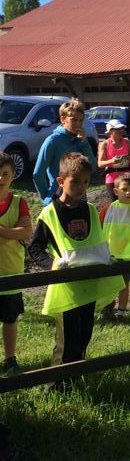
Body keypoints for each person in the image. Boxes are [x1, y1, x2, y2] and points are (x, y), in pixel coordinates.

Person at [28, 153, 124, 384]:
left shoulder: (90, 210)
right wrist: (52, 265)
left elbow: (97, 243)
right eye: (76, 181)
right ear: (61, 181)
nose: (82, 187)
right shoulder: (50, 213)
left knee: (84, 335)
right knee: (67, 341)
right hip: (67, 290)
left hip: (88, 287)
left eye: (86, 182)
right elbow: (34, 248)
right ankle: (55, 384)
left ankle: (75, 379)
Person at [0, 153, 33, 376]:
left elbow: (27, 232)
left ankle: (10, 358)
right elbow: (19, 232)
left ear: (13, 176)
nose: (1, 178)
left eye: (5, 174)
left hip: (11, 272)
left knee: (10, 319)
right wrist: (12, 232)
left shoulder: (20, 203)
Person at [99, 174, 130, 321]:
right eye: (124, 189)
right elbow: (99, 228)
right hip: (109, 255)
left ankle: (121, 312)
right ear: (116, 191)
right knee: (108, 284)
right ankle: (107, 308)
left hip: (127, 255)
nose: (128, 193)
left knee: (124, 285)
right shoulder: (108, 209)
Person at [33, 98, 97, 206]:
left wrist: (85, 143)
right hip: (58, 197)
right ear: (63, 119)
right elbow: (38, 173)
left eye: (80, 120)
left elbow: (92, 168)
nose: (78, 124)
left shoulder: (81, 140)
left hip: (80, 198)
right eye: (74, 120)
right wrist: (46, 197)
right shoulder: (53, 141)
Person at [97, 119, 130, 201]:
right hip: (112, 177)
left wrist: (128, 158)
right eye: (117, 129)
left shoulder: (128, 143)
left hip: (126, 176)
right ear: (110, 131)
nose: (121, 131)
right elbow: (100, 164)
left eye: (122, 128)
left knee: (128, 201)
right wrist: (112, 161)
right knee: (115, 203)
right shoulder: (104, 144)